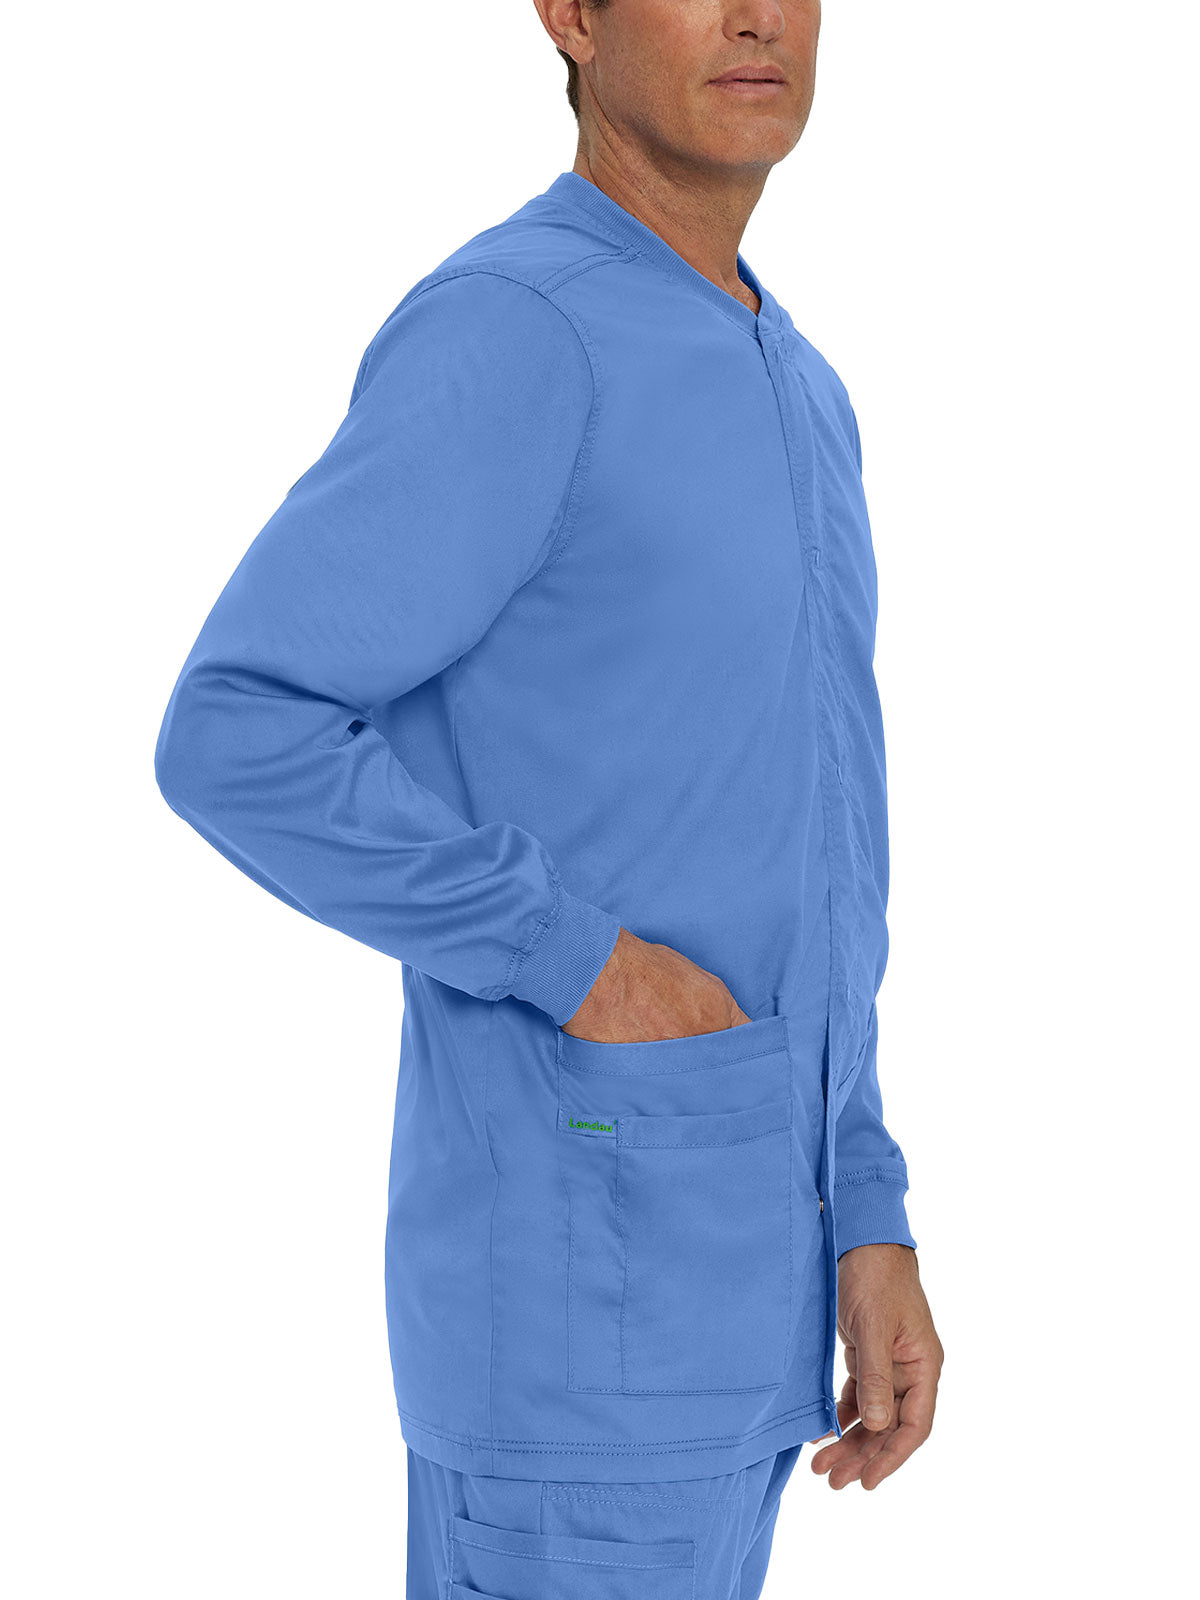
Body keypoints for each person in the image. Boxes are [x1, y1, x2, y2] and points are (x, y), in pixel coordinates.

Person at [154, 1, 943, 1592]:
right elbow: (239, 728)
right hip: (580, 1330)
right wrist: (582, 961)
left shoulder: (799, 383)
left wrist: (865, 1210)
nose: (758, 15)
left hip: (749, 1329)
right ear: (571, 14)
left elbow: (815, 856)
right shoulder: (520, 329)